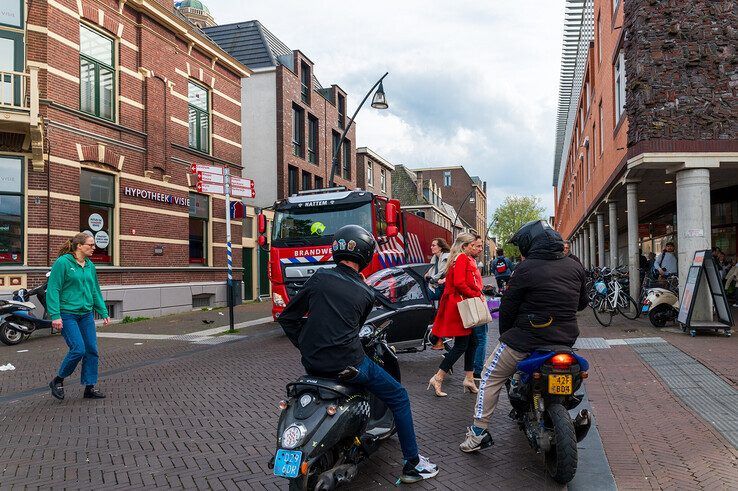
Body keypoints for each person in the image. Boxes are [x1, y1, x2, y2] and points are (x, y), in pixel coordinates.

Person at [278, 225, 438, 483]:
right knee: (399, 396)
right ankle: (413, 464)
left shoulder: (319, 278)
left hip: (312, 364)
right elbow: (354, 327)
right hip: (349, 363)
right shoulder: (365, 293)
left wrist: (306, 344)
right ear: (365, 255)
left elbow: (288, 318)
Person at [459, 220, 588, 453]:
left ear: (531, 244)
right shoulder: (575, 266)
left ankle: (477, 434)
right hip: (565, 339)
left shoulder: (526, 268)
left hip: (527, 339)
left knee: (489, 375)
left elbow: (508, 307)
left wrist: (507, 334)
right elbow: (582, 303)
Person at [47, 232, 110, 401]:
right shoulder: (63, 263)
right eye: (91, 245)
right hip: (68, 315)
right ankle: (57, 380)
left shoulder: (90, 265)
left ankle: (89, 388)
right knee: (78, 349)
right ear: (79, 246)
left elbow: (95, 290)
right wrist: (55, 315)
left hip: (86, 314)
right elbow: (53, 289)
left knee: (92, 350)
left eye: (94, 245)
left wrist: (103, 311)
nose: (94, 248)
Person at [427, 233, 484, 397]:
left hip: (458, 304)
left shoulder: (457, 258)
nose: (474, 248)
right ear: (464, 246)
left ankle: (469, 379)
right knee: (461, 344)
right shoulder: (461, 259)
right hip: (460, 306)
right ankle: (438, 377)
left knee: (473, 342)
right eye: (472, 245)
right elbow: (459, 283)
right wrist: (475, 294)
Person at [425, 238, 450, 350]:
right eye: (431, 245)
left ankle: (439, 339)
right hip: (437, 287)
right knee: (438, 314)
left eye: (434, 245)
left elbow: (442, 273)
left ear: (440, 247)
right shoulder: (434, 259)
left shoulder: (447, 257)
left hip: (444, 289)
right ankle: (438, 338)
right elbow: (429, 272)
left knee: (439, 313)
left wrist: (432, 279)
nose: (431, 247)